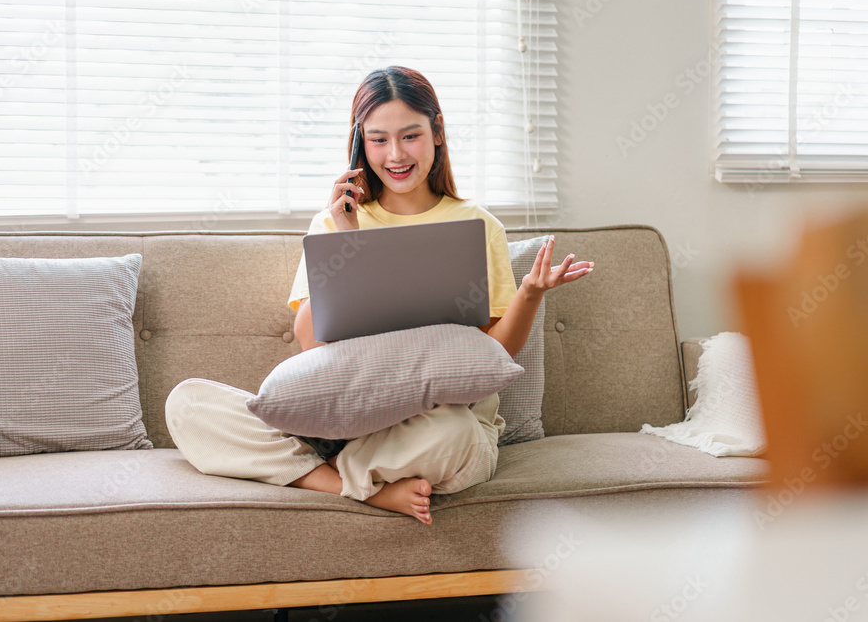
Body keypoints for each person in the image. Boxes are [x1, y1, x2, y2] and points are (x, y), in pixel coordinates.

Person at [166, 66, 593, 525]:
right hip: (342, 424)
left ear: (437, 132)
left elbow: (496, 349)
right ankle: (359, 487)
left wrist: (529, 292)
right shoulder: (333, 222)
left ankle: (320, 477)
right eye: (378, 139)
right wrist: (346, 238)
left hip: (433, 425)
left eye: (410, 136)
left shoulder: (477, 224)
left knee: (458, 438)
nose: (395, 154)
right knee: (188, 405)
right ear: (359, 144)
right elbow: (312, 342)